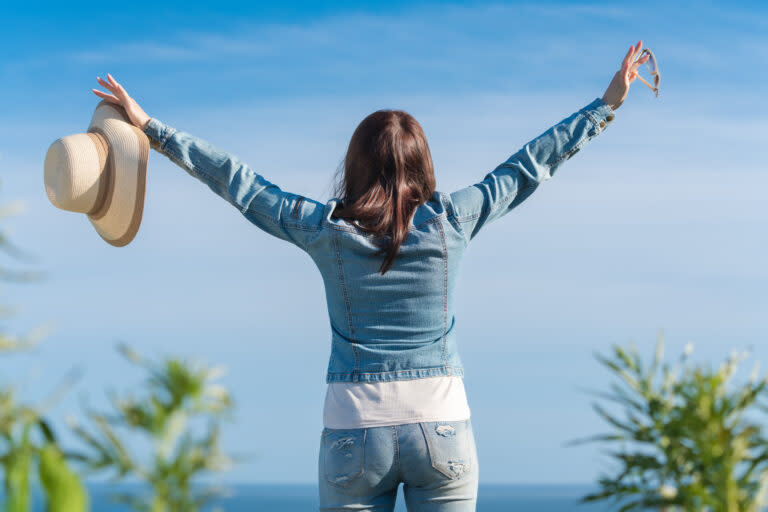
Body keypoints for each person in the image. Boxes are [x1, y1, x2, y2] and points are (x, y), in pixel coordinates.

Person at [92, 40, 650, 511]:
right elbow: (528, 166)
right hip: (443, 426)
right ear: (423, 163)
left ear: (355, 164)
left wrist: (153, 130)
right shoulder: (455, 219)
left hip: (353, 431)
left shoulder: (325, 229)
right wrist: (605, 106)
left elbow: (240, 183)